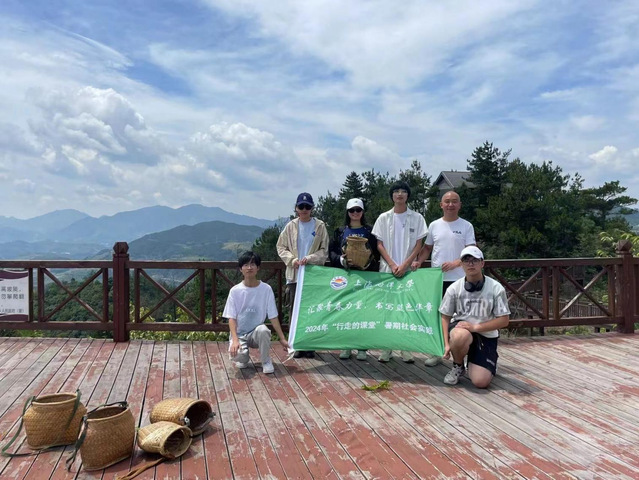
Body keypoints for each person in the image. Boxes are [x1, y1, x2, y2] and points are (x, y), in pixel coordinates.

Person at [412, 190, 476, 366]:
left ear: (459, 205)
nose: (450, 204)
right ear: (441, 205)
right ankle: (437, 351)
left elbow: (472, 251)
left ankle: (462, 356)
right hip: (437, 279)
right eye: (447, 201)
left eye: (454, 201)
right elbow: (427, 248)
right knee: (438, 317)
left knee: (462, 318)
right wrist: (418, 262)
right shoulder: (434, 225)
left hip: (460, 279)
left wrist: (456, 263)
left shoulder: (466, 226)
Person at [372, 181, 428, 363]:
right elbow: (379, 244)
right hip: (387, 270)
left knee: (406, 309)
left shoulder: (417, 218)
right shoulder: (383, 218)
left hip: (408, 271)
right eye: (396, 191)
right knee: (387, 309)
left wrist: (405, 265)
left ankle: (405, 348)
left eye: (404, 191)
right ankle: (386, 348)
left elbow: (419, 245)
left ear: (408, 196)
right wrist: (392, 264)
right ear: (392, 196)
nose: (400, 194)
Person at [439, 246, 510, 388]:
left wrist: (475, 327)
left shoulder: (496, 288)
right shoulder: (454, 288)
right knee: (459, 336)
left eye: (475, 260)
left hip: (486, 335)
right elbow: (445, 316)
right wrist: (446, 344)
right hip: (462, 331)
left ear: (482, 263)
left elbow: (504, 320)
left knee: (480, 382)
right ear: (461, 264)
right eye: (466, 260)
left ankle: (485, 361)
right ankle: (458, 365)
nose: (470, 264)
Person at [276, 192, 330, 358]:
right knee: (294, 311)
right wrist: (292, 260)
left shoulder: (320, 226)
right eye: (301, 206)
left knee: (312, 310)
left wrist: (311, 258)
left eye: (307, 206)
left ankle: (309, 344)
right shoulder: (290, 226)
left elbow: (324, 250)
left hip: (313, 276)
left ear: (312, 208)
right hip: (294, 276)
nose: (304, 209)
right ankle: (296, 345)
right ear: (296, 208)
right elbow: (280, 247)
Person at [329, 198, 379, 361]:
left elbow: (377, 253)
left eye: (358, 210)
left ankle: (362, 347)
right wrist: (341, 260)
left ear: (363, 212)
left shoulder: (371, 231)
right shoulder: (340, 231)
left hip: (365, 277)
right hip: (346, 277)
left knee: (363, 312)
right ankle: (346, 345)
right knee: (347, 311)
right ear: (347, 212)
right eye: (352, 210)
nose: (355, 213)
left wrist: (369, 263)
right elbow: (332, 252)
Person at [223, 251, 289, 374]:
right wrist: (235, 339)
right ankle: (244, 358)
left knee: (263, 330)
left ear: (258, 268)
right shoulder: (235, 291)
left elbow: (273, 316)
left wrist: (282, 338)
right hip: (240, 334)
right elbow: (231, 317)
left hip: (256, 333)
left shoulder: (266, 289)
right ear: (241, 269)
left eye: (252, 264)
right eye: (246, 265)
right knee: (236, 355)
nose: (249, 268)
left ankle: (266, 361)